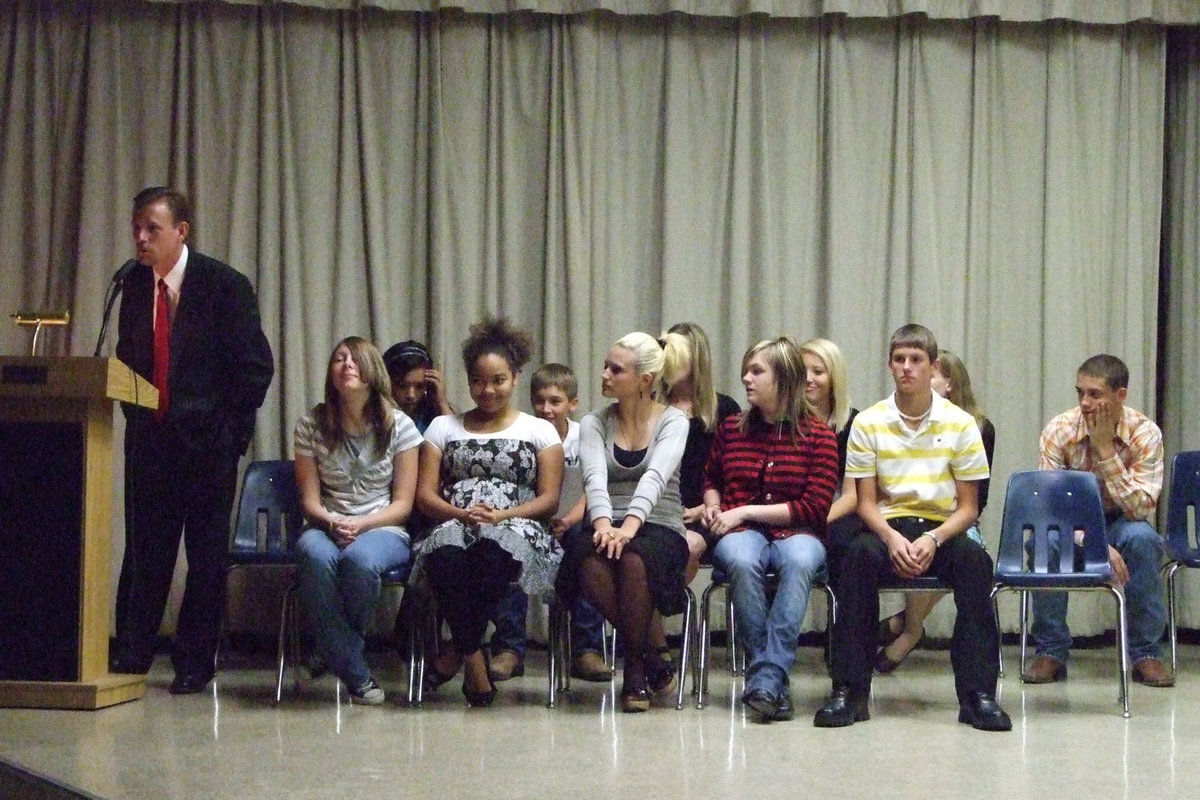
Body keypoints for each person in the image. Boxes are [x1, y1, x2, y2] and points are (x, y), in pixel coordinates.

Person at [112, 186, 274, 694]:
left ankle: (194, 663)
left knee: (205, 559)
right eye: (136, 229)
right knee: (145, 553)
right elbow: (128, 359)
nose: (141, 238)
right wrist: (135, 415)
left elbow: (255, 369)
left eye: (152, 229)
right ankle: (132, 654)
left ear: (181, 231)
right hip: (150, 445)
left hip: (208, 447)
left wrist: (228, 434)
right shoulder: (133, 283)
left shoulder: (224, 285)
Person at [813, 324, 1010, 731]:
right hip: (887, 526)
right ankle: (849, 692)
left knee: (975, 563)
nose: (907, 367)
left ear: (933, 366)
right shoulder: (869, 422)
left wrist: (934, 538)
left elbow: (969, 507)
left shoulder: (961, 424)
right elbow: (864, 502)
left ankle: (978, 696)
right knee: (857, 558)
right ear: (889, 365)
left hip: (942, 528)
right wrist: (891, 538)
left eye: (916, 360)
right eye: (899, 359)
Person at [412, 317, 564, 707]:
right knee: (445, 558)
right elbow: (424, 496)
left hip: (518, 525)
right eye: (479, 381)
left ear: (515, 378)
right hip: (453, 520)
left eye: (498, 380)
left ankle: (456, 650)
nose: (488, 390)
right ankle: (474, 659)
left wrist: (502, 517)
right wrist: (460, 515)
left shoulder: (539, 430)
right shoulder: (443, 427)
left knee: (491, 557)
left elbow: (549, 499)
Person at [704, 337, 839, 722]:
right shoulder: (731, 428)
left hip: (799, 531)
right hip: (740, 530)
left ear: (783, 379)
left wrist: (744, 510)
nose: (745, 378)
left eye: (756, 371)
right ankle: (772, 682)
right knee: (741, 560)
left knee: (800, 561)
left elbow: (814, 508)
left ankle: (765, 679)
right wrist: (713, 504)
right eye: (746, 370)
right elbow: (711, 477)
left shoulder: (819, 436)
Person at [556, 332, 690, 713]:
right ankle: (650, 655)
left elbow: (656, 478)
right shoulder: (594, 423)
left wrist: (628, 529)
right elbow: (594, 479)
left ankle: (633, 668)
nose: (604, 375)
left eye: (616, 370)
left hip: (659, 522)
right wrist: (602, 526)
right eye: (605, 366)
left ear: (644, 380)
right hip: (606, 519)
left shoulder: (674, 421)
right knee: (587, 559)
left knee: (634, 559)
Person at [1021, 354, 1172, 687]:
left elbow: (1141, 508)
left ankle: (1146, 653)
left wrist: (1105, 451)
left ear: (1120, 395)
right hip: (1070, 523)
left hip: (1122, 520)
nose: (1085, 403)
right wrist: (1094, 542)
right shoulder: (1060, 430)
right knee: (1045, 542)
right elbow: (1050, 507)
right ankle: (1050, 651)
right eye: (1080, 393)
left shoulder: (1145, 433)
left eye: (1095, 394)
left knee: (1143, 539)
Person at [293, 337, 421, 705]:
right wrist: (332, 521)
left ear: (373, 371)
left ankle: (331, 649)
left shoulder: (400, 425)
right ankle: (355, 671)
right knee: (313, 554)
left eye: (355, 359)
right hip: (325, 523)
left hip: (383, 527)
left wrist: (362, 525)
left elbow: (403, 505)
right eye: (339, 358)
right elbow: (309, 502)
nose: (346, 364)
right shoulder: (311, 424)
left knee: (359, 560)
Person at [488, 364, 613, 683]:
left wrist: (570, 519)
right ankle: (508, 648)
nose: (546, 409)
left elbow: (594, 486)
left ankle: (587, 649)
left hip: (572, 521)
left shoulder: (584, 435)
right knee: (508, 548)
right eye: (539, 401)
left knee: (588, 548)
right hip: (527, 519)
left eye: (555, 401)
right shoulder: (520, 432)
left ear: (572, 403)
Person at [875, 349, 995, 673]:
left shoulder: (978, 428)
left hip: (958, 518)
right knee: (910, 541)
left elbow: (977, 499)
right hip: (910, 515)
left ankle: (907, 628)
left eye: (931, 375)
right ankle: (911, 628)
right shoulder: (897, 422)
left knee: (969, 555)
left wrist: (943, 526)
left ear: (950, 383)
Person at [382, 340, 453, 433]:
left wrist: (442, 403)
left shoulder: (430, 415)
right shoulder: (375, 417)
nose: (411, 395)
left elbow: (456, 438)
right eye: (402, 385)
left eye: (420, 386)